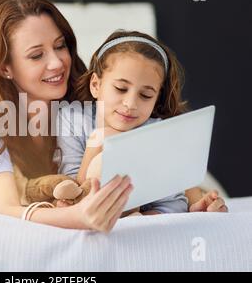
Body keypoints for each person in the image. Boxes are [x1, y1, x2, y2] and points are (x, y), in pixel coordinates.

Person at [0, 0, 226, 231]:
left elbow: (148, 168)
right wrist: (77, 218)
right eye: (36, 55)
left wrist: (193, 199)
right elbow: (6, 209)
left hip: (17, 176)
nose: (57, 63)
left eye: (60, 45)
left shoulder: (89, 106)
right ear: (6, 68)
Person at [55, 30, 228, 214]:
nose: (130, 104)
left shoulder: (158, 132)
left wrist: (192, 209)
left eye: (145, 95)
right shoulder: (72, 118)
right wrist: (98, 142)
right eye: (121, 89)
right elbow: (73, 192)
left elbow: (173, 202)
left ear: (156, 98)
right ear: (96, 85)